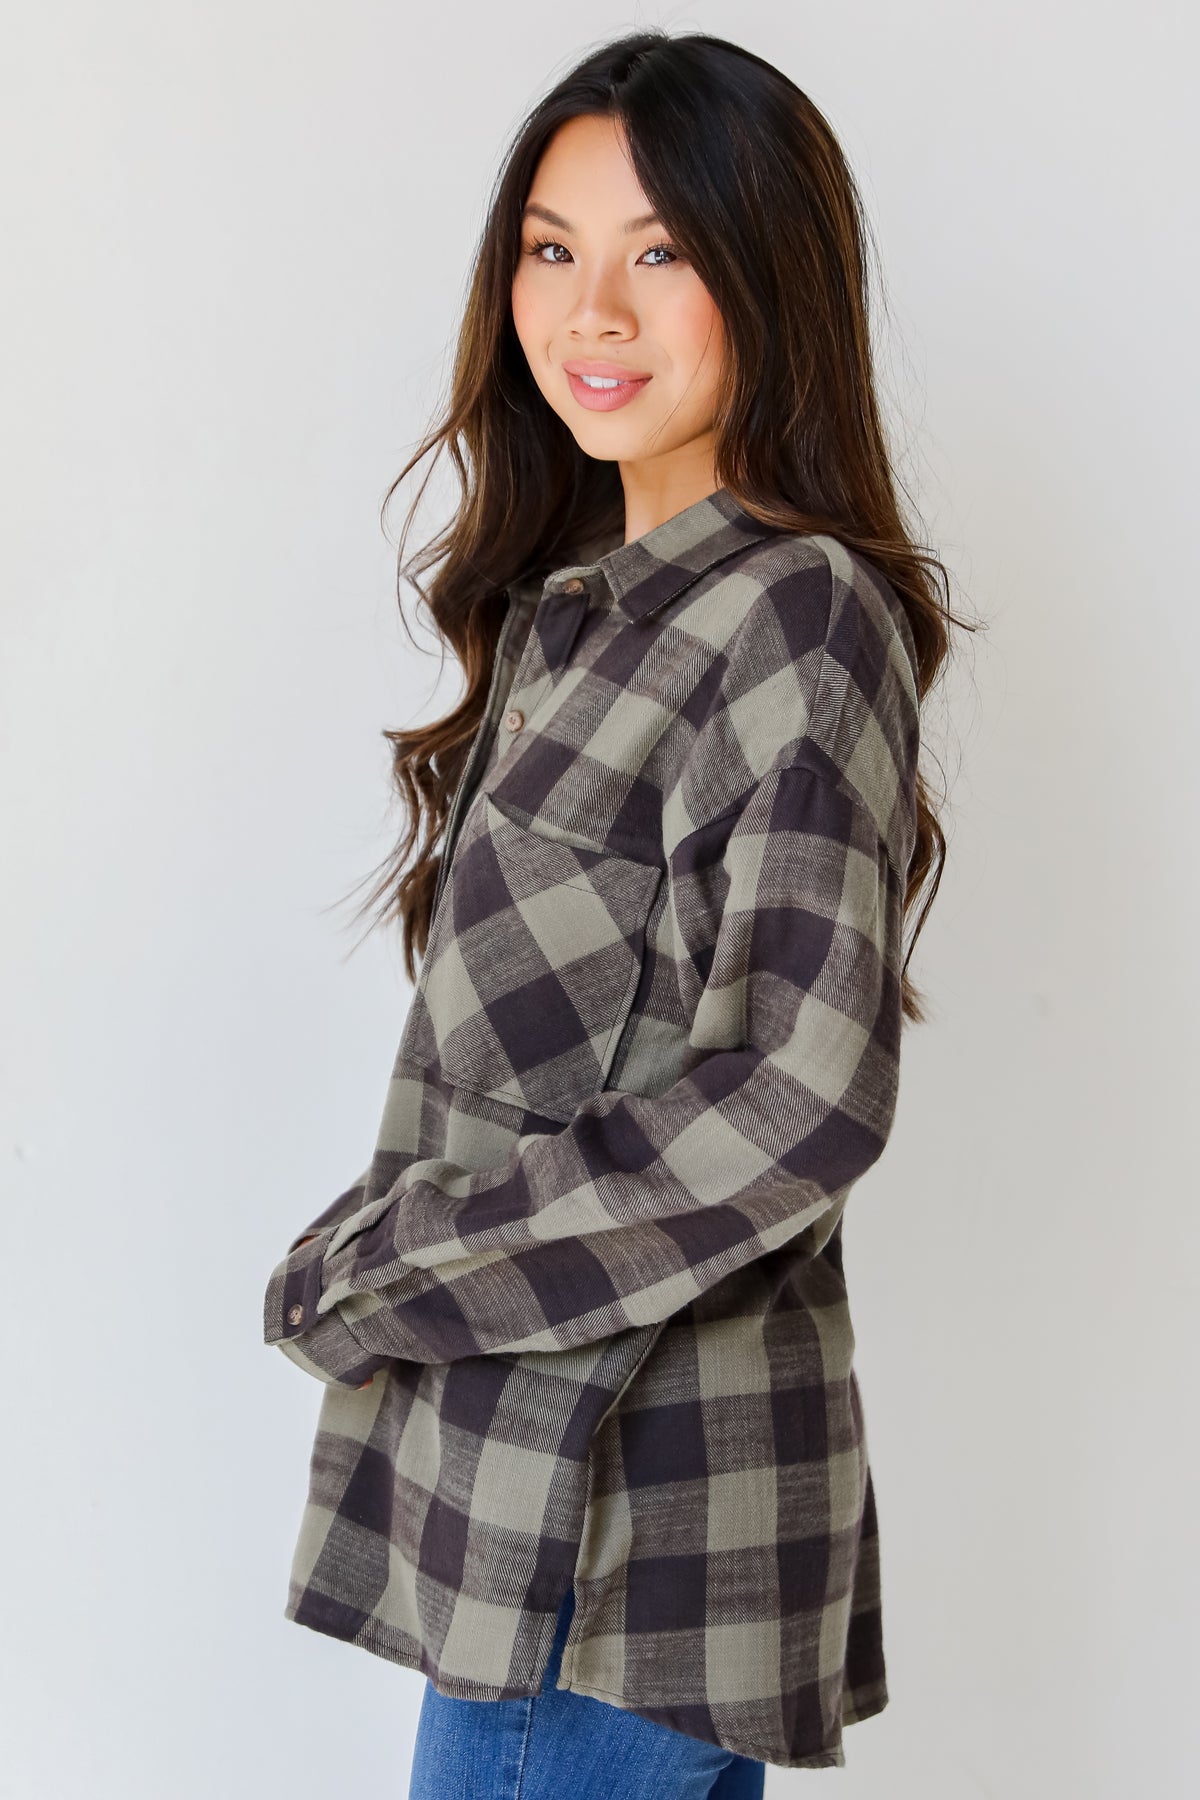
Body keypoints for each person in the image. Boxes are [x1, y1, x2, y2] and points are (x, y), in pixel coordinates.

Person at [262, 27, 970, 1798]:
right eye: (551, 249)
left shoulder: (791, 614)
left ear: (768, 273)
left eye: (661, 253)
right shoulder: (585, 613)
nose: (591, 310)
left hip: (615, 1525)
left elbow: (800, 1095)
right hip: (556, 1510)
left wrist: (397, 1265)